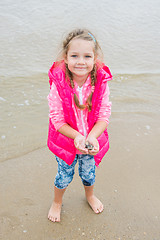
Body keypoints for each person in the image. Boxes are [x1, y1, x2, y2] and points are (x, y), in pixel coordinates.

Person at [47, 29, 112, 222]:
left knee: (88, 174)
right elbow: (56, 119)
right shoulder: (59, 83)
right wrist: (76, 136)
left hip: (91, 140)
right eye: (74, 55)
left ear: (95, 58)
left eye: (87, 56)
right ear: (65, 58)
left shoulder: (100, 82)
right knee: (63, 176)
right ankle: (57, 202)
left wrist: (92, 137)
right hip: (67, 141)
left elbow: (104, 115)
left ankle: (89, 196)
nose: (81, 61)